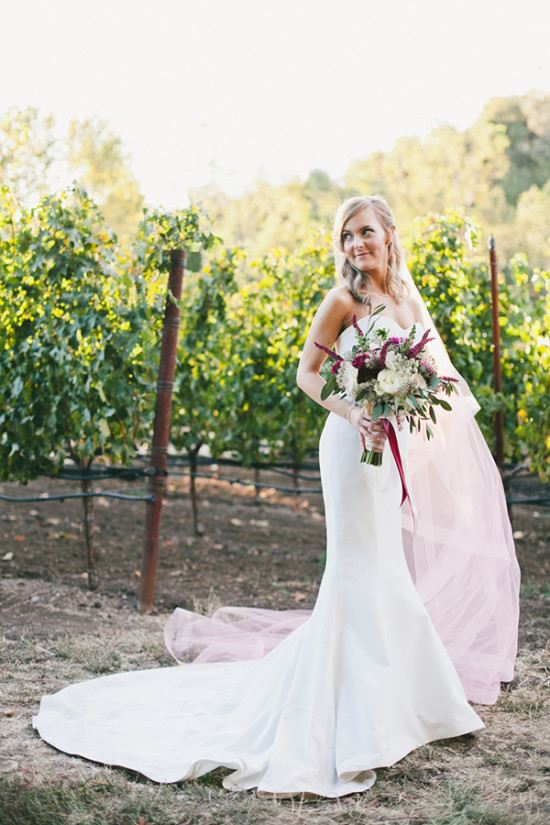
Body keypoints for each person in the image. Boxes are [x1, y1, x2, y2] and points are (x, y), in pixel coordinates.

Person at [33, 196, 519, 799]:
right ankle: (349, 711)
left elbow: (435, 374)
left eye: (366, 232)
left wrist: (411, 410)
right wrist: (354, 413)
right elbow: (307, 374)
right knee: (356, 567)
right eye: (346, 236)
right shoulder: (342, 300)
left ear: (390, 234)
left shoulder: (405, 299)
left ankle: (406, 702)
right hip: (349, 445)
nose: (356, 245)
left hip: (388, 447)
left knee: (385, 565)